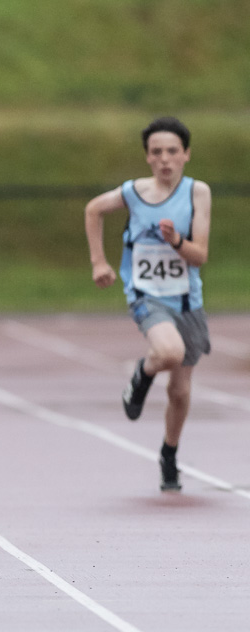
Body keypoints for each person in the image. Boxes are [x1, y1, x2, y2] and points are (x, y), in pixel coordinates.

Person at [84, 116, 211, 492]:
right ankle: (142, 374)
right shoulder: (133, 193)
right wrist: (98, 261)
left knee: (181, 390)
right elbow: (93, 210)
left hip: (187, 299)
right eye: (156, 152)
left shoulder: (197, 193)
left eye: (172, 151)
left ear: (186, 154)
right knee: (168, 352)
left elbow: (200, 256)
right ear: (147, 158)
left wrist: (175, 242)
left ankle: (169, 455)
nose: (165, 159)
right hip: (147, 295)